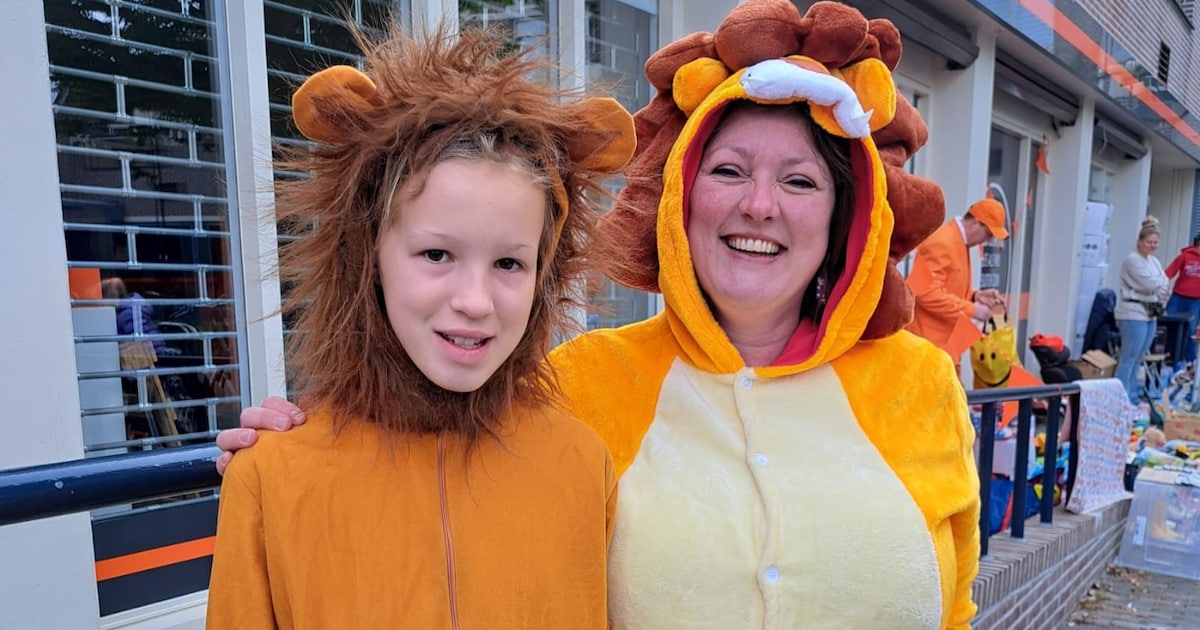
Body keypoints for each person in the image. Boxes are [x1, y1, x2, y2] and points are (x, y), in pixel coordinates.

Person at [218, 1, 981, 627]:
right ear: (679, 195)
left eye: (800, 181)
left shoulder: (922, 385)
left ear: (850, 215)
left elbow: (958, 601)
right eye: (729, 169)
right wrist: (301, 436)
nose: (759, 204)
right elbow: (429, 430)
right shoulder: (581, 386)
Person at [205, 24, 636, 628]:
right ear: (368, 257)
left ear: (545, 275)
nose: (475, 301)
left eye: (510, 262)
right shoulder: (271, 477)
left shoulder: (581, 464)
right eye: (436, 255)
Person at [905, 198, 1010, 367]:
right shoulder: (942, 242)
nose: (987, 240)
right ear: (976, 223)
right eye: (989, 234)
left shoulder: (957, 242)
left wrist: (975, 296)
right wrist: (972, 309)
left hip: (941, 349)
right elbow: (924, 293)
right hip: (928, 350)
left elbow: (945, 288)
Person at [1114, 216, 1170, 405]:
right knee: (1128, 356)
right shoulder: (1132, 260)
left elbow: (1164, 282)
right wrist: (1158, 286)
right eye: (1149, 242)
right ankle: (1121, 396)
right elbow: (1149, 284)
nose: (1152, 246)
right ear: (1139, 242)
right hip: (1132, 312)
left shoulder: (1153, 261)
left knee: (1139, 357)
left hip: (1149, 312)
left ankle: (1133, 395)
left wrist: (1159, 286)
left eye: (1155, 242)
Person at [1165, 233, 1200, 362]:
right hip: (1178, 297)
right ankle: (1168, 357)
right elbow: (1168, 274)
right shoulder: (1184, 256)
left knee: (1190, 330)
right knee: (1169, 326)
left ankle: (1190, 361)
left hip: (1196, 300)